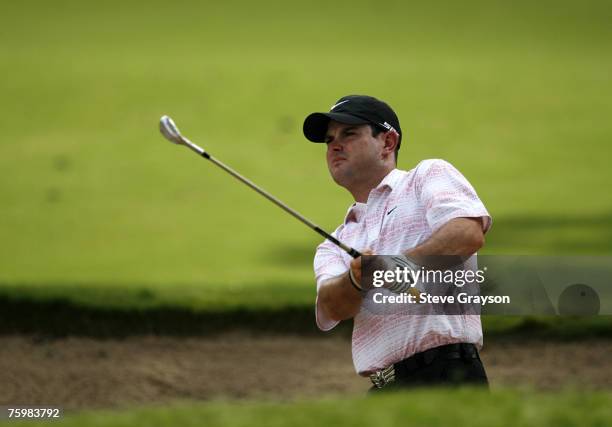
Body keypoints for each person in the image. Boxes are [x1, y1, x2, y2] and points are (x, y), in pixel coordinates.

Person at [302, 94, 492, 391]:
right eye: (329, 140)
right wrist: (355, 279)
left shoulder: (426, 176)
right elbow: (332, 305)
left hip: (447, 373)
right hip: (383, 387)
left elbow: (466, 234)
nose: (335, 145)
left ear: (388, 142)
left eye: (349, 133)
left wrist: (389, 267)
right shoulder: (335, 242)